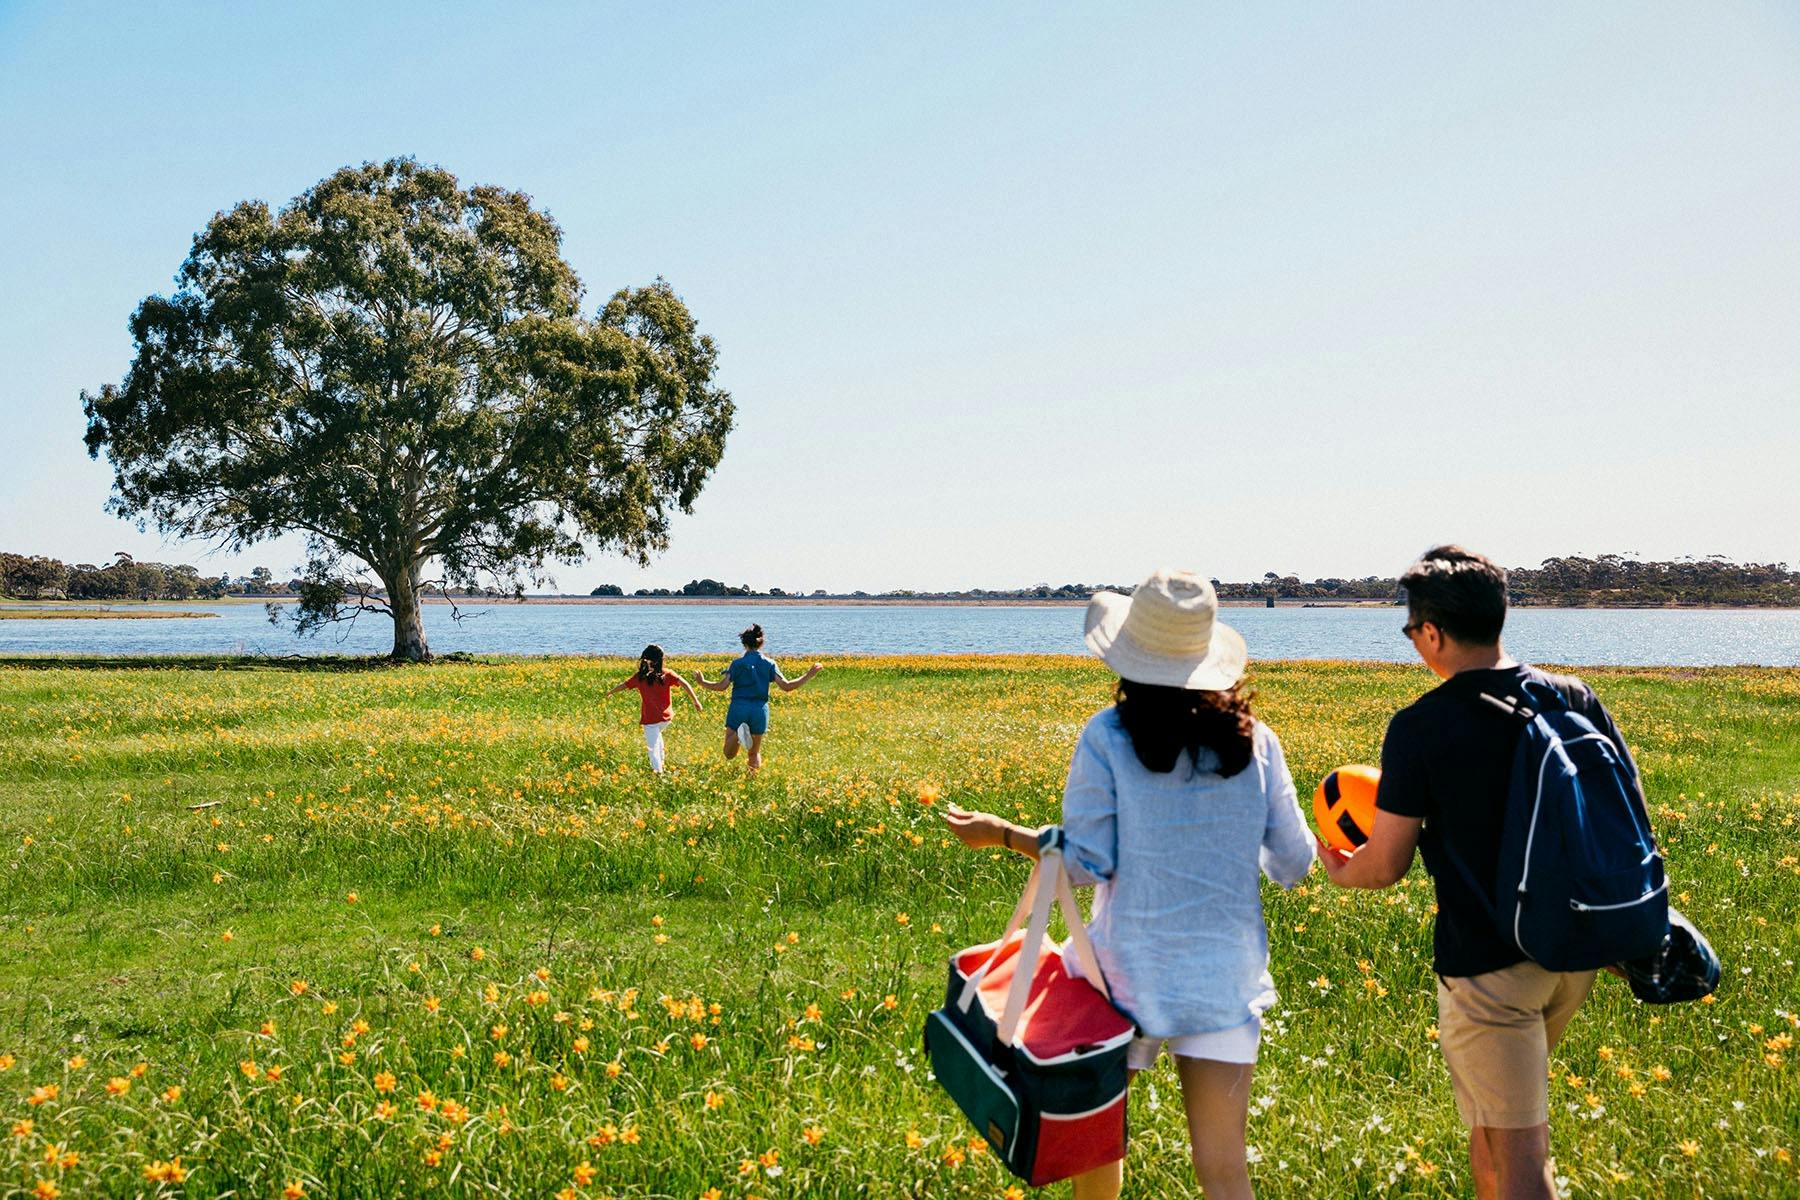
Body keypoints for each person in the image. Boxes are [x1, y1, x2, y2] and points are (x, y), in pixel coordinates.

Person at [942, 569, 1313, 1200]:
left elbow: (1086, 862)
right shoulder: (1258, 745)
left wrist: (1004, 832)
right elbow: (1295, 862)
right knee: (1224, 1170)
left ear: (1130, 656)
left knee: (1098, 1149)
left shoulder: (1108, 736)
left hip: (1122, 984)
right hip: (1224, 980)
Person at [1315, 545, 1651, 1200]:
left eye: (1412, 630)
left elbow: (1383, 867)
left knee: (1525, 1160)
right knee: (1494, 1133)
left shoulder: (1419, 728)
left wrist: (1338, 871)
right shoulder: (1573, 696)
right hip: (1574, 952)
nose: (1414, 642)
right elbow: (1630, 816)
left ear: (1433, 632)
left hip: (1490, 971)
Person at [693, 623, 822, 773]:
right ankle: (751, 780)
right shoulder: (769, 663)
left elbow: (722, 686)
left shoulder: (737, 664)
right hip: (759, 711)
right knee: (754, 753)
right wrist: (809, 674)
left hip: (738, 708)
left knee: (729, 754)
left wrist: (702, 682)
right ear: (761, 644)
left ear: (744, 644)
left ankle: (739, 734)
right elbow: (787, 686)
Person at [605, 643, 701, 773]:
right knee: (657, 738)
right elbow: (685, 684)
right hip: (666, 719)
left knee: (652, 748)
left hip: (650, 720)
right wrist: (696, 701)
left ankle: (658, 773)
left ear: (646, 660)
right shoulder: (667, 674)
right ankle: (662, 764)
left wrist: (611, 691)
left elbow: (624, 685)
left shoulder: (640, 677)